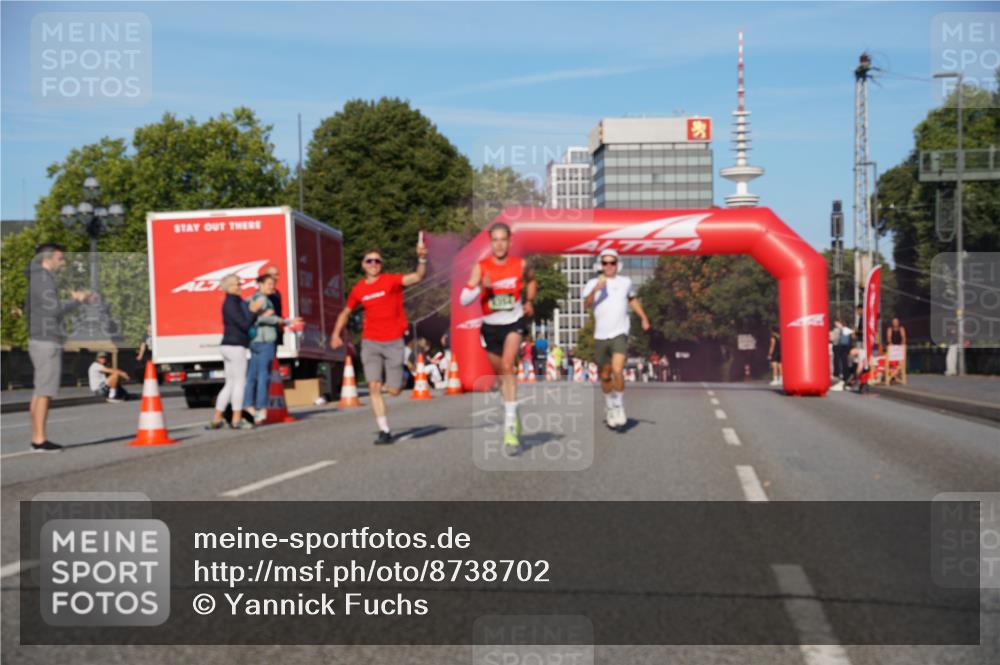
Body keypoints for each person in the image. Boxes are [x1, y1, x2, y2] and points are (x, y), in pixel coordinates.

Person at [331, 240, 427, 444]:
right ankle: (385, 430)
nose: (373, 264)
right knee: (373, 386)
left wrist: (422, 258)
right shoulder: (358, 290)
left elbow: (417, 276)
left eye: (377, 261)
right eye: (369, 261)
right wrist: (336, 333)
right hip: (371, 341)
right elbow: (346, 312)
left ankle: (395, 381)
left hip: (394, 341)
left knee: (394, 391)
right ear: (363, 264)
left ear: (381, 264)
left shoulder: (391, 281)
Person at [461, 222, 537, 454]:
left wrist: (529, 301)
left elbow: (532, 281)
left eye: (504, 239)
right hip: (490, 327)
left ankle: (510, 427)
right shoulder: (481, 267)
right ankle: (513, 409)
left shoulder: (520, 264)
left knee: (507, 366)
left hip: (513, 323)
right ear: (490, 242)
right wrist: (479, 288)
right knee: (501, 375)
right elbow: (464, 298)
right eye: (495, 240)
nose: (500, 244)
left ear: (510, 242)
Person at [25, 243, 92, 452]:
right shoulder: (44, 279)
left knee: (39, 391)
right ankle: (39, 439)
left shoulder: (35, 278)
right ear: (49, 258)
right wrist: (78, 301)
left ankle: (37, 438)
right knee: (45, 391)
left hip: (38, 338)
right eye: (60, 258)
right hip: (47, 341)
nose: (62, 263)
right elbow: (54, 310)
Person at [581, 248, 650, 429]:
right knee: (605, 375)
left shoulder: (625, 282)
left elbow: (632, 300)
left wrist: (643, 317)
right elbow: (586, 304)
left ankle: (619, 405)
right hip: (600, 335)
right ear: (601, 265)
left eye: (612, 263)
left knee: (618, 370)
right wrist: (596, 290)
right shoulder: (592, 283)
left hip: (620, 332)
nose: (609, 266)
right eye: (605, 263)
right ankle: (610, 406)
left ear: (617, 265)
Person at [243, 274, 298, 425]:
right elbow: (257, 317)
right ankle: (260, 408)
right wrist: (279, 319)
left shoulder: (252, 298)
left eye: (273, 284)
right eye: (269, 284)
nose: (272, 287)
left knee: (252, 376)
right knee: (263, 376)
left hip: (255, 341)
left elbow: (253, 316)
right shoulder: (261, 299)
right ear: (259, 284)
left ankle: (248, 405)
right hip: (265, 341)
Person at [207, 274, 259, 430]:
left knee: (230, 383)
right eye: (237, 284)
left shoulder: (234, 302)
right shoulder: (231, 303)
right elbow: (244, 323)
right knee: (239, 383)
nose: (240, 286)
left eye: (240, 284)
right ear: (229, 287)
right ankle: (236, 419)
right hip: (236, 346)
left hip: (229, 345)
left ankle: (217, 419)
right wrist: (253, 311)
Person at [885, 317, 907, 384]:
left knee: (900, 364)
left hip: (900, 349)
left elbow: (903, 338)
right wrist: (892, 345)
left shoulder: (901, 328)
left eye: (896, 322)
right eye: (894, 322)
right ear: (892, 323)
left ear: (898, 322)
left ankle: (896, 376)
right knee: (891, 363)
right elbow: (888, 338)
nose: (895, 323)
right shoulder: (890, 329)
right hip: (892, 348)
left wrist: (901, 346)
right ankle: (891, 377)